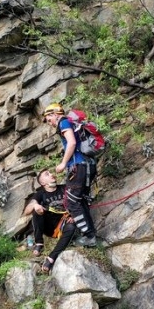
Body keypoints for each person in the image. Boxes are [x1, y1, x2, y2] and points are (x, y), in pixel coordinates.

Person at [42, 102, 98, 247]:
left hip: (79, 167)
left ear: (55, 114)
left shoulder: (63, 122)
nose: (50, 123)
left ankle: (89, 236)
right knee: (80, 201)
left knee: (71, 202)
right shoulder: (71, 123)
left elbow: (71, 143)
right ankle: (90, 235)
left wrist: (63, 163)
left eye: (49, 119)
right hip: (88, 166)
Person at [23, 169, 76, 274]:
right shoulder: (40, 194)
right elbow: (26, 211)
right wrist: (35, 205)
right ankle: (39, 242)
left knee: (71, 227)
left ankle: (52, 257)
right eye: (47, 174)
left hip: (63, 223)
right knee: (37, 211)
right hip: (49, 227)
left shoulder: (64, 188)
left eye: (51, 173)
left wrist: (75, 216)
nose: (51, 174)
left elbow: (78, 201)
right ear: (43, 183)